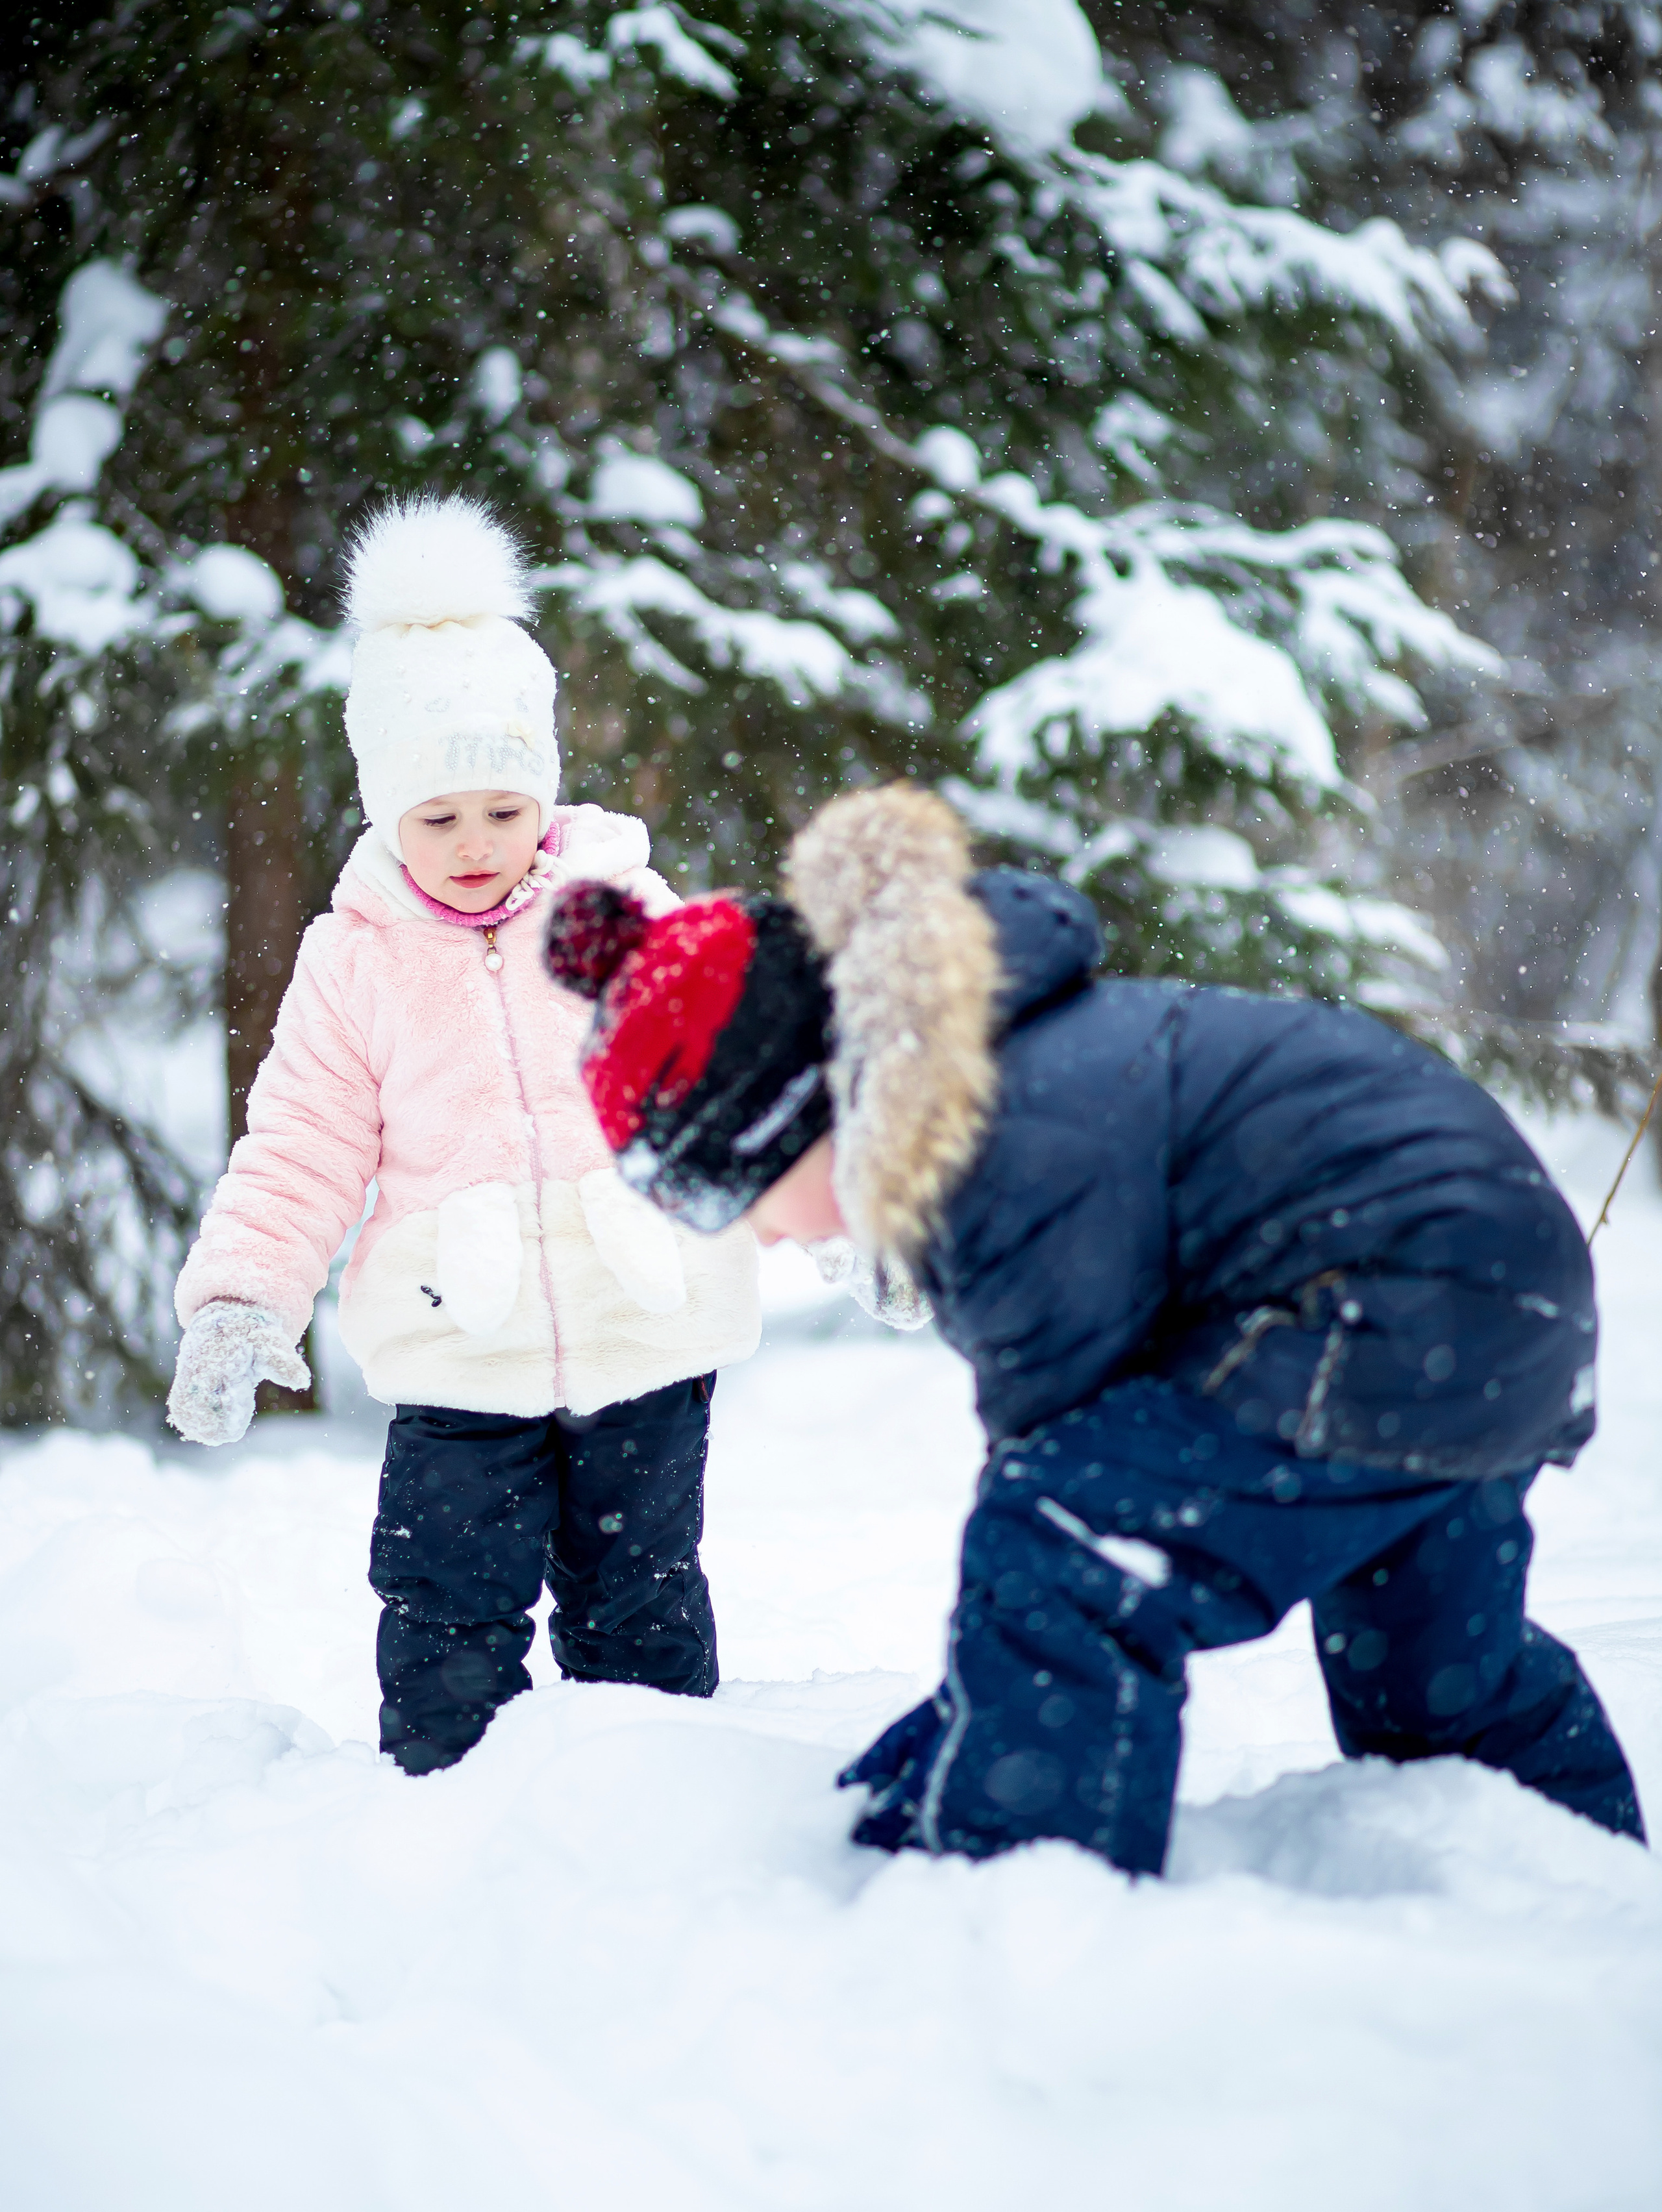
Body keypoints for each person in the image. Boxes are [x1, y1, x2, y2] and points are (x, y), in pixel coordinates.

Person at [541, 783, 1645, 1872]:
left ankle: (1022, 1888)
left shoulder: (996, 1132)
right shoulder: (1013, 1062)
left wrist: (971, 1744)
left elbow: (1059, 1491)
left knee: (1060, 1540)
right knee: (1436, 1671)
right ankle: (1576, 1883)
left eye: (729, 1199)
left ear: (790, 1113)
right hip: (1498, 1316)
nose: (766, 1241)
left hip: (1383, 1305)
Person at [167, 495, 758, 1774]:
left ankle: (661, 1801)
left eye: (504, 808)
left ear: (543, 790)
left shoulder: (621, 915)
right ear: (385, 812)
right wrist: (241, 1300)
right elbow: (303, 1140)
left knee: (643, 1593)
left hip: (641, 1326)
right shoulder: (354, 961)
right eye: (437, 819)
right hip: (457, 1341)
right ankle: (443, 1820)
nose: (477, 845)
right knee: (444, 1606)